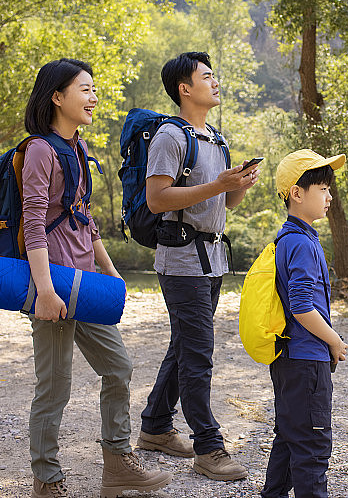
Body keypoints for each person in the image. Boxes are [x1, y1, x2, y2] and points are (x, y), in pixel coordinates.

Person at [22, 58, 171, 498]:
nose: (93, 97)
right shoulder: (39, 151)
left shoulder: (80, 150)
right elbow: (33, 224)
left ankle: (118, 463)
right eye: (84, 89)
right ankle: (46, 480)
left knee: (118, 368)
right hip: (51, 284)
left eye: (93, 89)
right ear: (56, 96)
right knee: (54, 387)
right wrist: (45, 292)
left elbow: (83, 219)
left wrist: (111, 272)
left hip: (85, 282)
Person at [137, 52, 259, 481]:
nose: (215, 82)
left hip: (213, 260)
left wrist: (237, 185)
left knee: (184, 346)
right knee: (198, 354)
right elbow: (157, 199)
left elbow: (223, 202)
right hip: (181, 259)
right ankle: (209, 448)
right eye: (207, 76)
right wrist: (218, 184)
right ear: (184, 89)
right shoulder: (171, 136)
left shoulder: (217, 139)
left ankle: (154, 428)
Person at [260, 149, 348, 498]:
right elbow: (301, 307)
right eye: (323, 189)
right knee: (312, 446)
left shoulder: (292, 238)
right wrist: (334, 340)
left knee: (289, 436)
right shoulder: (301, 243)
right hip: (306, 360)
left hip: (288, 360)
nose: (329, 196)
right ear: (297, 193)